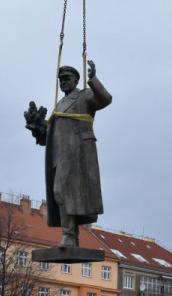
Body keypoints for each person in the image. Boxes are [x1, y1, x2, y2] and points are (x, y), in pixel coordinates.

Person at [24, 61, 112, 247]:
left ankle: (70, 237)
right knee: (61, 194)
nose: (63, 82)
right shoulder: (60, 103)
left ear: (76, 80)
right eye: (61, 79)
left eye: (67, 79)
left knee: (65, 193)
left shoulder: (84, 96)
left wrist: (93, 79)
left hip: (78, 154)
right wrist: (38, 131)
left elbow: (105, 99)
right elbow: (51, 135)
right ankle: (70, 236)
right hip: (59, 156)